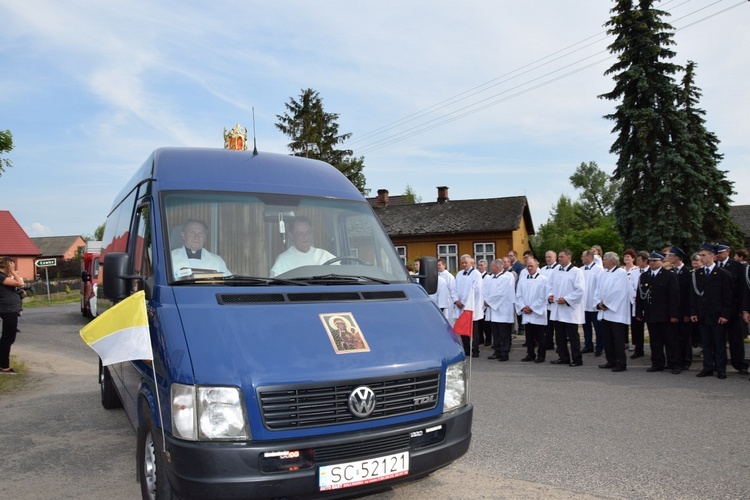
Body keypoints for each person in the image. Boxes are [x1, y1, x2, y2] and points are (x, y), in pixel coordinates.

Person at [691, 243, 733, 379]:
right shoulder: (698, 273)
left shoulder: (723, 274)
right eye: (700, 255)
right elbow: (694, 296)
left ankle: (721, 368)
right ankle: (707, 367)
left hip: (717, 315)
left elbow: (727, 296)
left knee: (719, 343)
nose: (701, 258)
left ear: (712, 256)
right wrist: (694, 312)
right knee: (706, 343)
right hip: (703, 314)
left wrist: (725, 314)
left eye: (704, 255)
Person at [635, 251, 681, 374]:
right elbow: (640, 295)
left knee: (670, 341)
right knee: (655, 341)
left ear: (661, 261)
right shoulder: (644, 276)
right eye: (651, 261)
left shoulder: (669, 275)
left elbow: (674, 297)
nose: (652, 263)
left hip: (665, 314)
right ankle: (657, 363)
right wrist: (638, 312)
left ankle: (674, 363)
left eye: (655, 261)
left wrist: (674, 315)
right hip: (651, 313)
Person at [714, 243, 749, 375]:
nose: (718, 255)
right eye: (716, 253)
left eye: (720, 253)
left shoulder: (738, 267)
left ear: (728, 252)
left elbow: (743, 289)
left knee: (736, 339)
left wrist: (743, 308)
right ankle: (719, 365)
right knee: (718, 339)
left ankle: (740, 364)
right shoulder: (714, 267)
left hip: (734, 310)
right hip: (718, 310)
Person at [548, 249, 585, 367]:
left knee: (573, 336)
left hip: (569, 309)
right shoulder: (556, 270)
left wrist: (567, 299)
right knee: (559, 336)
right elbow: (549, 285)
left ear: (569, 257)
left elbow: (580, 290)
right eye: (558, 257)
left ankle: (577, 359)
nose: (559, 259)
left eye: (561, 257)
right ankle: (563, 357)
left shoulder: (576, 271)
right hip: (557, 308)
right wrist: (549, 295)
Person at [594, 252, 631, 372]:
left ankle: (621, 363)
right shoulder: (603, 273)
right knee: (607, 339)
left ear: (612, 261)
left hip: (616, 313)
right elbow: (597, 290)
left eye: (604, 259)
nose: (603, 261)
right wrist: (598, 303)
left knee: (618, 340)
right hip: (605, 313)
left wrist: (606, 304)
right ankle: (611, 360)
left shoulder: (621, 273)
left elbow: (619, 291)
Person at [270, 216, 336, 277]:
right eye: (300, 233)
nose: (306, 237)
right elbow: (275, 286)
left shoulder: (324, 255)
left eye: (308, 232)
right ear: (291, 235)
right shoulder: (283, 260)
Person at [515, 258, 548, 363]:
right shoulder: (523, 279)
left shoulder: (543, 280)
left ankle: (541, 355)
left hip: (537, 312)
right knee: (529, 336)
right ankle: (530, 354)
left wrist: (532, 308)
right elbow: (518, 295)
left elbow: (543, 297)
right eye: (528, 266)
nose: (529, 268)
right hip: (526, 312)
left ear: (537, 266)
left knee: (540, 336)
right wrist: (523, 307)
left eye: (531, 266)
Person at [667, 246, 694, 371]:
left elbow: (689, 294)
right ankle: (674, 360)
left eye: (671, 255)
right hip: (673, 311)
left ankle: (686, 360)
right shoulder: (671, 272)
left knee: (685, 337)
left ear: (677, 257)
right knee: (673, 337)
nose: (668, 258)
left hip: (683, 311)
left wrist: (688, 313)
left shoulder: (687, 273)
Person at [484, 259, 515, 361]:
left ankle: (504, 353)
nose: (490, 268)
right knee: (495, 333)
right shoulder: (490, 278)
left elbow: (500, 293)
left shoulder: (505, 278)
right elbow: (485, 291)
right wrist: (485, 300)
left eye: (492, 266)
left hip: (502, 310)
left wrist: (488, 301)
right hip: (492, 311)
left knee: (504, 334)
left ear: (497, 267)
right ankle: (497, 351)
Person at [453, 254, 484, 357]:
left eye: (466, 262)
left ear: (471, 263)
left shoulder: (476, 274)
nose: (464, 265)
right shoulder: (459, 274)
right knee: (463, 329)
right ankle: (466, 349)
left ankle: (475, 350)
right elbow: (455, 288)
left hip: (471, 306)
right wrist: (456, 300)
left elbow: (476, 290)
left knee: (473, 330)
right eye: (462, 263)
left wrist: (466, 303)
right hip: (460, 306)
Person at [0, 256, 25, 374]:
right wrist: (13, 272)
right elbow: (20, 283)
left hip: (10, 309)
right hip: (7, 310)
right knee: (7, 338)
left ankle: (3, 365)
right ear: (7, 265)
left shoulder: (4, 277)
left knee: (8, 337)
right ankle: (4, 367)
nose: (13, 266)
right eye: (12, 264)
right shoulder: (0, 276)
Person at [581, 250, 604, 356]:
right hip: (584, 304)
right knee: (586, 327)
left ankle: (599, 346)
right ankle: (588, 345)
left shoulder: (598, 269)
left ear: (590, 257)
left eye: (583, 256)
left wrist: (598, 301)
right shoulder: (580, 270)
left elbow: (600, 287)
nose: (581, 258)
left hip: (594, 304)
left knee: (598, 327)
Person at [538, 250, 560, 351]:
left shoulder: (559, 268)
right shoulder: (542, 269)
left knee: (557, 324)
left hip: (555, 300)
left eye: (550, 257)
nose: (547, 259)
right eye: (546, 257)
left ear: (555, 257)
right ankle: (549, 342)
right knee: (547, 325)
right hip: (546, 300)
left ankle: (560, 344)